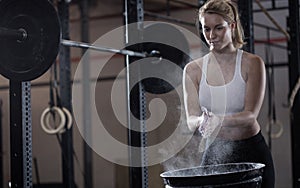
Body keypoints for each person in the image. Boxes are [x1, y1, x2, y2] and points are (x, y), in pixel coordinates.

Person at [182, 0, 275, 187]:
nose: (211, 35)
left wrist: (218, 120)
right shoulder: (193, 70)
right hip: (216, 150)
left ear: (232, 26)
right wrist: (202, 121)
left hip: (251, 150)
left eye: (218, 28)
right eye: (206, 29)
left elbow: (250, 116)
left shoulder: (252, 63)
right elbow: (191, 120)